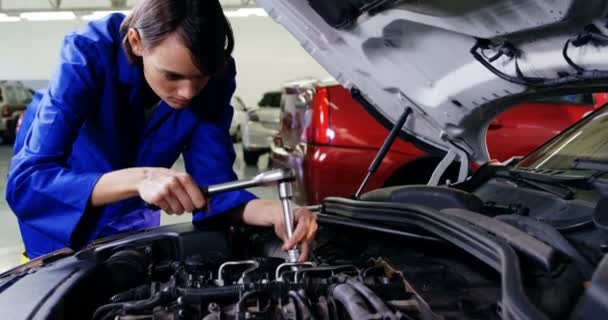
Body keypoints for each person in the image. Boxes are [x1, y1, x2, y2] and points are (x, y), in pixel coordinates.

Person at [6, 0, 317, 260]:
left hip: (133, 221)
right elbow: (28, 184)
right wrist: (141, 177)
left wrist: (275, 213)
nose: (188, 92)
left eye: (201, 78)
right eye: (173, 76)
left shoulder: (215, 79)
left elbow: (216, 189)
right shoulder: (86, 55)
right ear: (136, 43)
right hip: (59, 228)